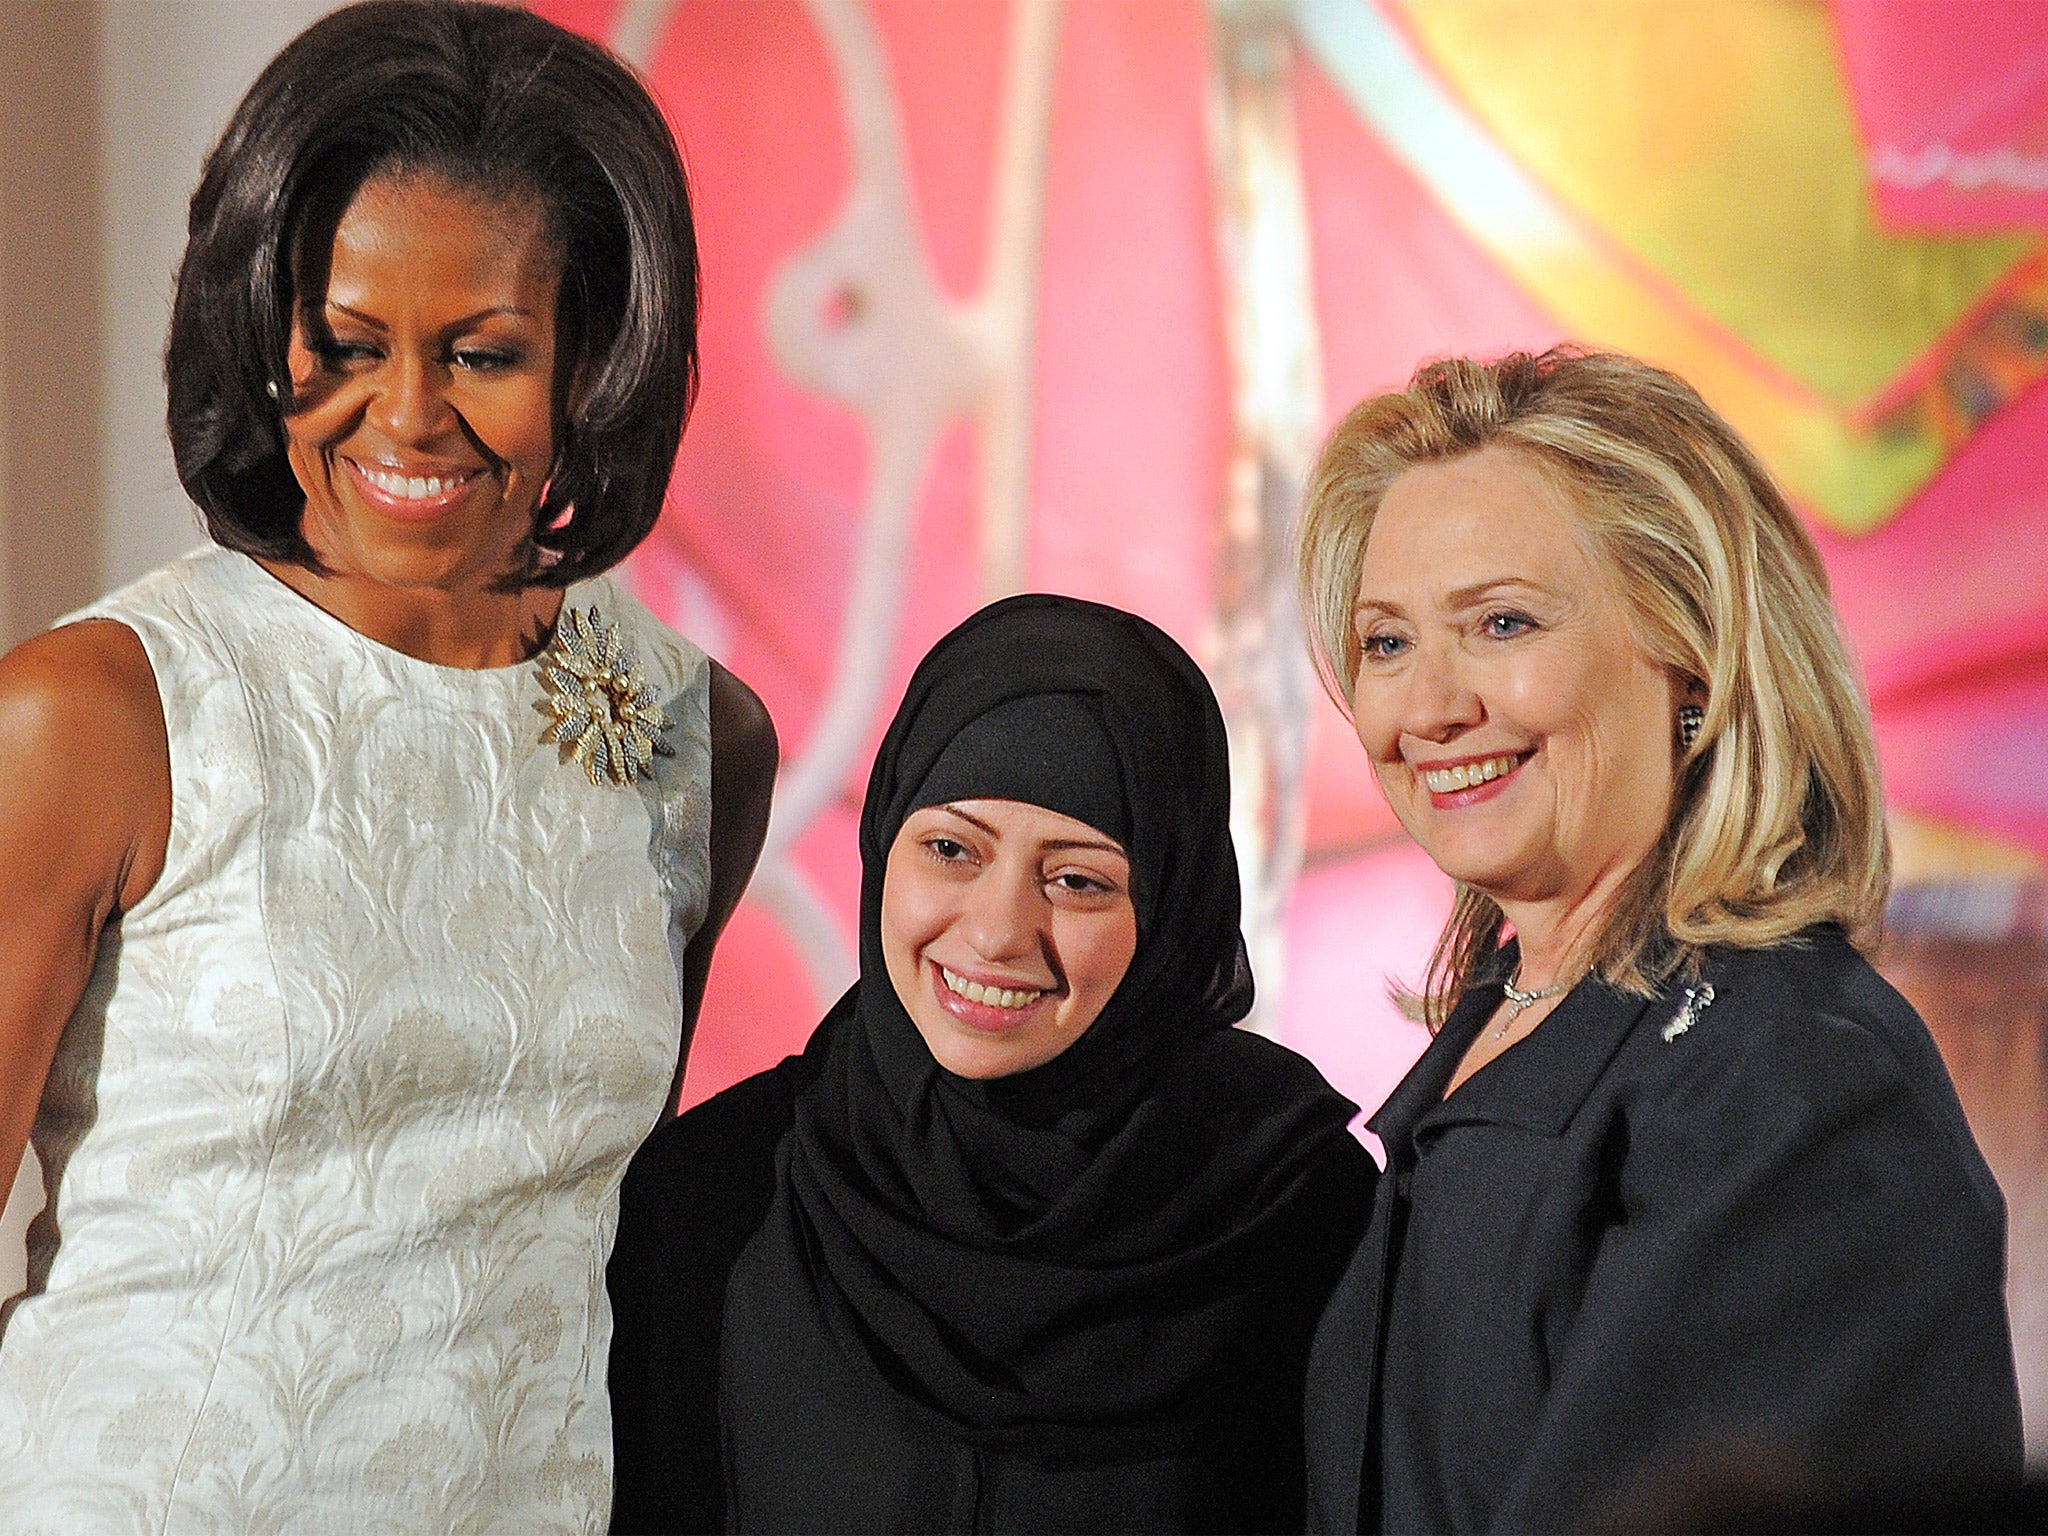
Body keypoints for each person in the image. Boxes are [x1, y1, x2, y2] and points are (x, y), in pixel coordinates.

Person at [0, 3, 775, 1530]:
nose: (408, 418)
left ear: (597, 357)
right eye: (344, 347)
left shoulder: (695, 739)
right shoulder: (96, 712)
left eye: (484, 353)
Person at [1293, 347, 2022, 1533]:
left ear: (1688, 649)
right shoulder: (1504, 1027)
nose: (1426, 708)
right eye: (1386, 643)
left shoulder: (1796, 1087)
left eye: (1499, 623)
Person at [606, 594, 1375, 1533]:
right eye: (950, 849)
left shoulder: (1293, 1214)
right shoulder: (716, 1197)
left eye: (1078, 880)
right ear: (885, 843)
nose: (998, 931)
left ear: (1170, 909)